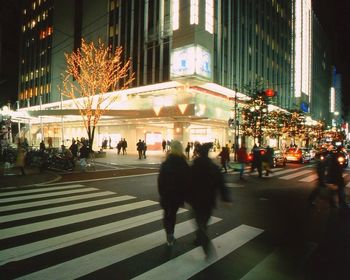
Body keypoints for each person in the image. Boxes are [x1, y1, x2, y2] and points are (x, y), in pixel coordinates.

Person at [188, 143, 232, 258]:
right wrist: (225, 198)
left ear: (198, 154)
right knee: (205, 220)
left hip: (196, 199)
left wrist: (184, 196)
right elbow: (221, 183)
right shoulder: (213, 167)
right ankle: (199, 237)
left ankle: (203, 240)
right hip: (209, 199)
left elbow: (187, 183)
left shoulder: (194, 166)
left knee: (198, 220)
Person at [158, 140, 191, 246]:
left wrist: (162, 193)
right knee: (172, 214)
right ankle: (171, 233)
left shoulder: (166, 163)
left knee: (166, 214)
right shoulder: (183, 163)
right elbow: (187, 181)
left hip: (167, 195)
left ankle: (169, 233)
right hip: (178, 195)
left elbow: (160, 180)